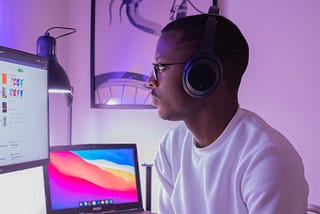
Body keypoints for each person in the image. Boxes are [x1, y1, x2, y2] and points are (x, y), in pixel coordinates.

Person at [146, 7, 309, 214]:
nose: (150, 81)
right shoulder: (171, 148)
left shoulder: (266, 159)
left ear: (201, 75)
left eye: (160, 67)